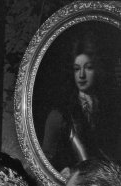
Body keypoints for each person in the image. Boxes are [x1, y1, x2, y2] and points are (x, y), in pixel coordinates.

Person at [41, 32, 121, 176]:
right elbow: (46, 160)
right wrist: (61, 171)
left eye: (88, 68)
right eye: (77, 69)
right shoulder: (60, 114)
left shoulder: (112, 110)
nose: (82, 75)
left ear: (98, 69)